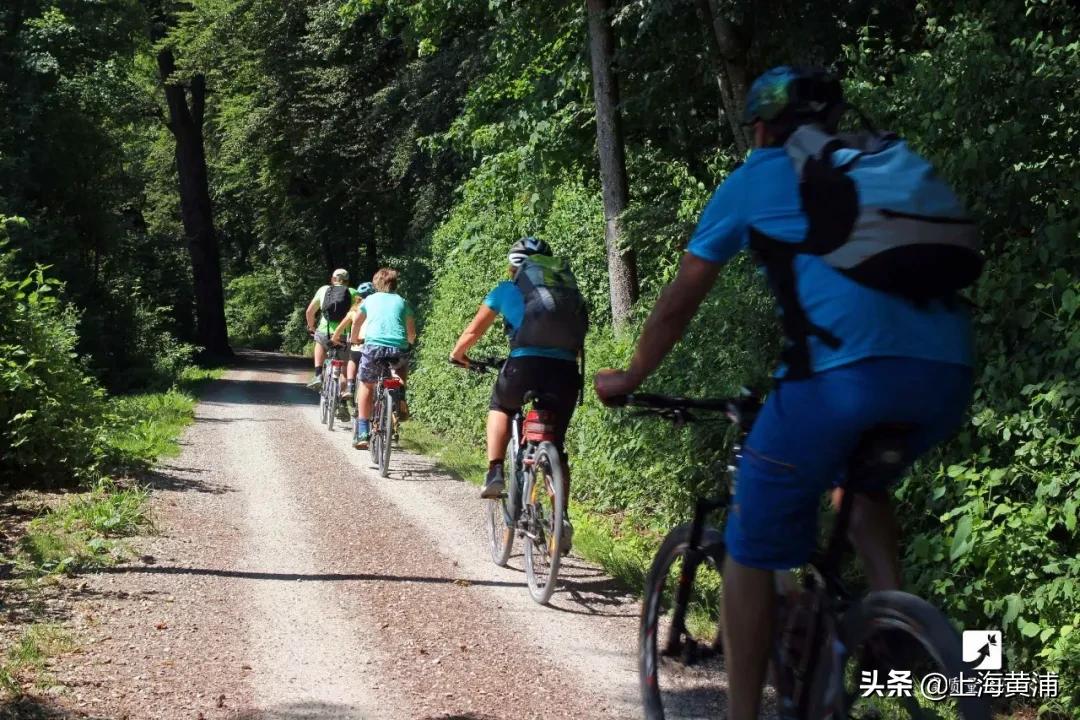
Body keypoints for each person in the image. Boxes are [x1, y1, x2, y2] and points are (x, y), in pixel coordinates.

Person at [593, 66, 974, 720]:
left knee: (751, 546)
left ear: (763, 128)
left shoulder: (757, 178)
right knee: (859, 486)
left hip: (842, 383)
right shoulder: (880, 164)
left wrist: (628, 377)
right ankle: (894, 623)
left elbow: (681, 299)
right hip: (946, 375)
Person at [449, 237, 585, 553]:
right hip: (565, 371)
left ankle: (495, 470)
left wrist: (458, 355)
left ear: (514, 266)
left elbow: (473, 332)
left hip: (523, 365)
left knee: (501, 405)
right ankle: (560, 516)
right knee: (557, 445)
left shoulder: (507, 290)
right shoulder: (567, 293)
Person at [351, 269, 417, 450]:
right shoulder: (403, 302)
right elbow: (411, 332)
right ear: (395, 284)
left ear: (376, 284)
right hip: (397, 347)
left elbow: (357, 322)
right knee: (401, 365)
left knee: (366, 385)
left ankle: (363, 431)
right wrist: (409, 342)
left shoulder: (369, 300)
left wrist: (354, 339)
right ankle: (400, 392)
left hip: (373, 347)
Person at [305, 268, 358, 391]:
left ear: (333, 279)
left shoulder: (323, 290)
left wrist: (312, 326)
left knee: (319, 341)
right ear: (347, 281)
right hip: (345, 336)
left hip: (325, 332)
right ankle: (343, 400)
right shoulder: (354, 292)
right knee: (344, 370)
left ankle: (318, 374)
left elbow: (309, 312)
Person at [332, 281, 376, 418]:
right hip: (373, 347)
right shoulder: (377, 309)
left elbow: (340, 328)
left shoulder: (355, 309)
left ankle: (350, 386)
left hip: (358, 347)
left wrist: (335, 338)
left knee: (352, 359)